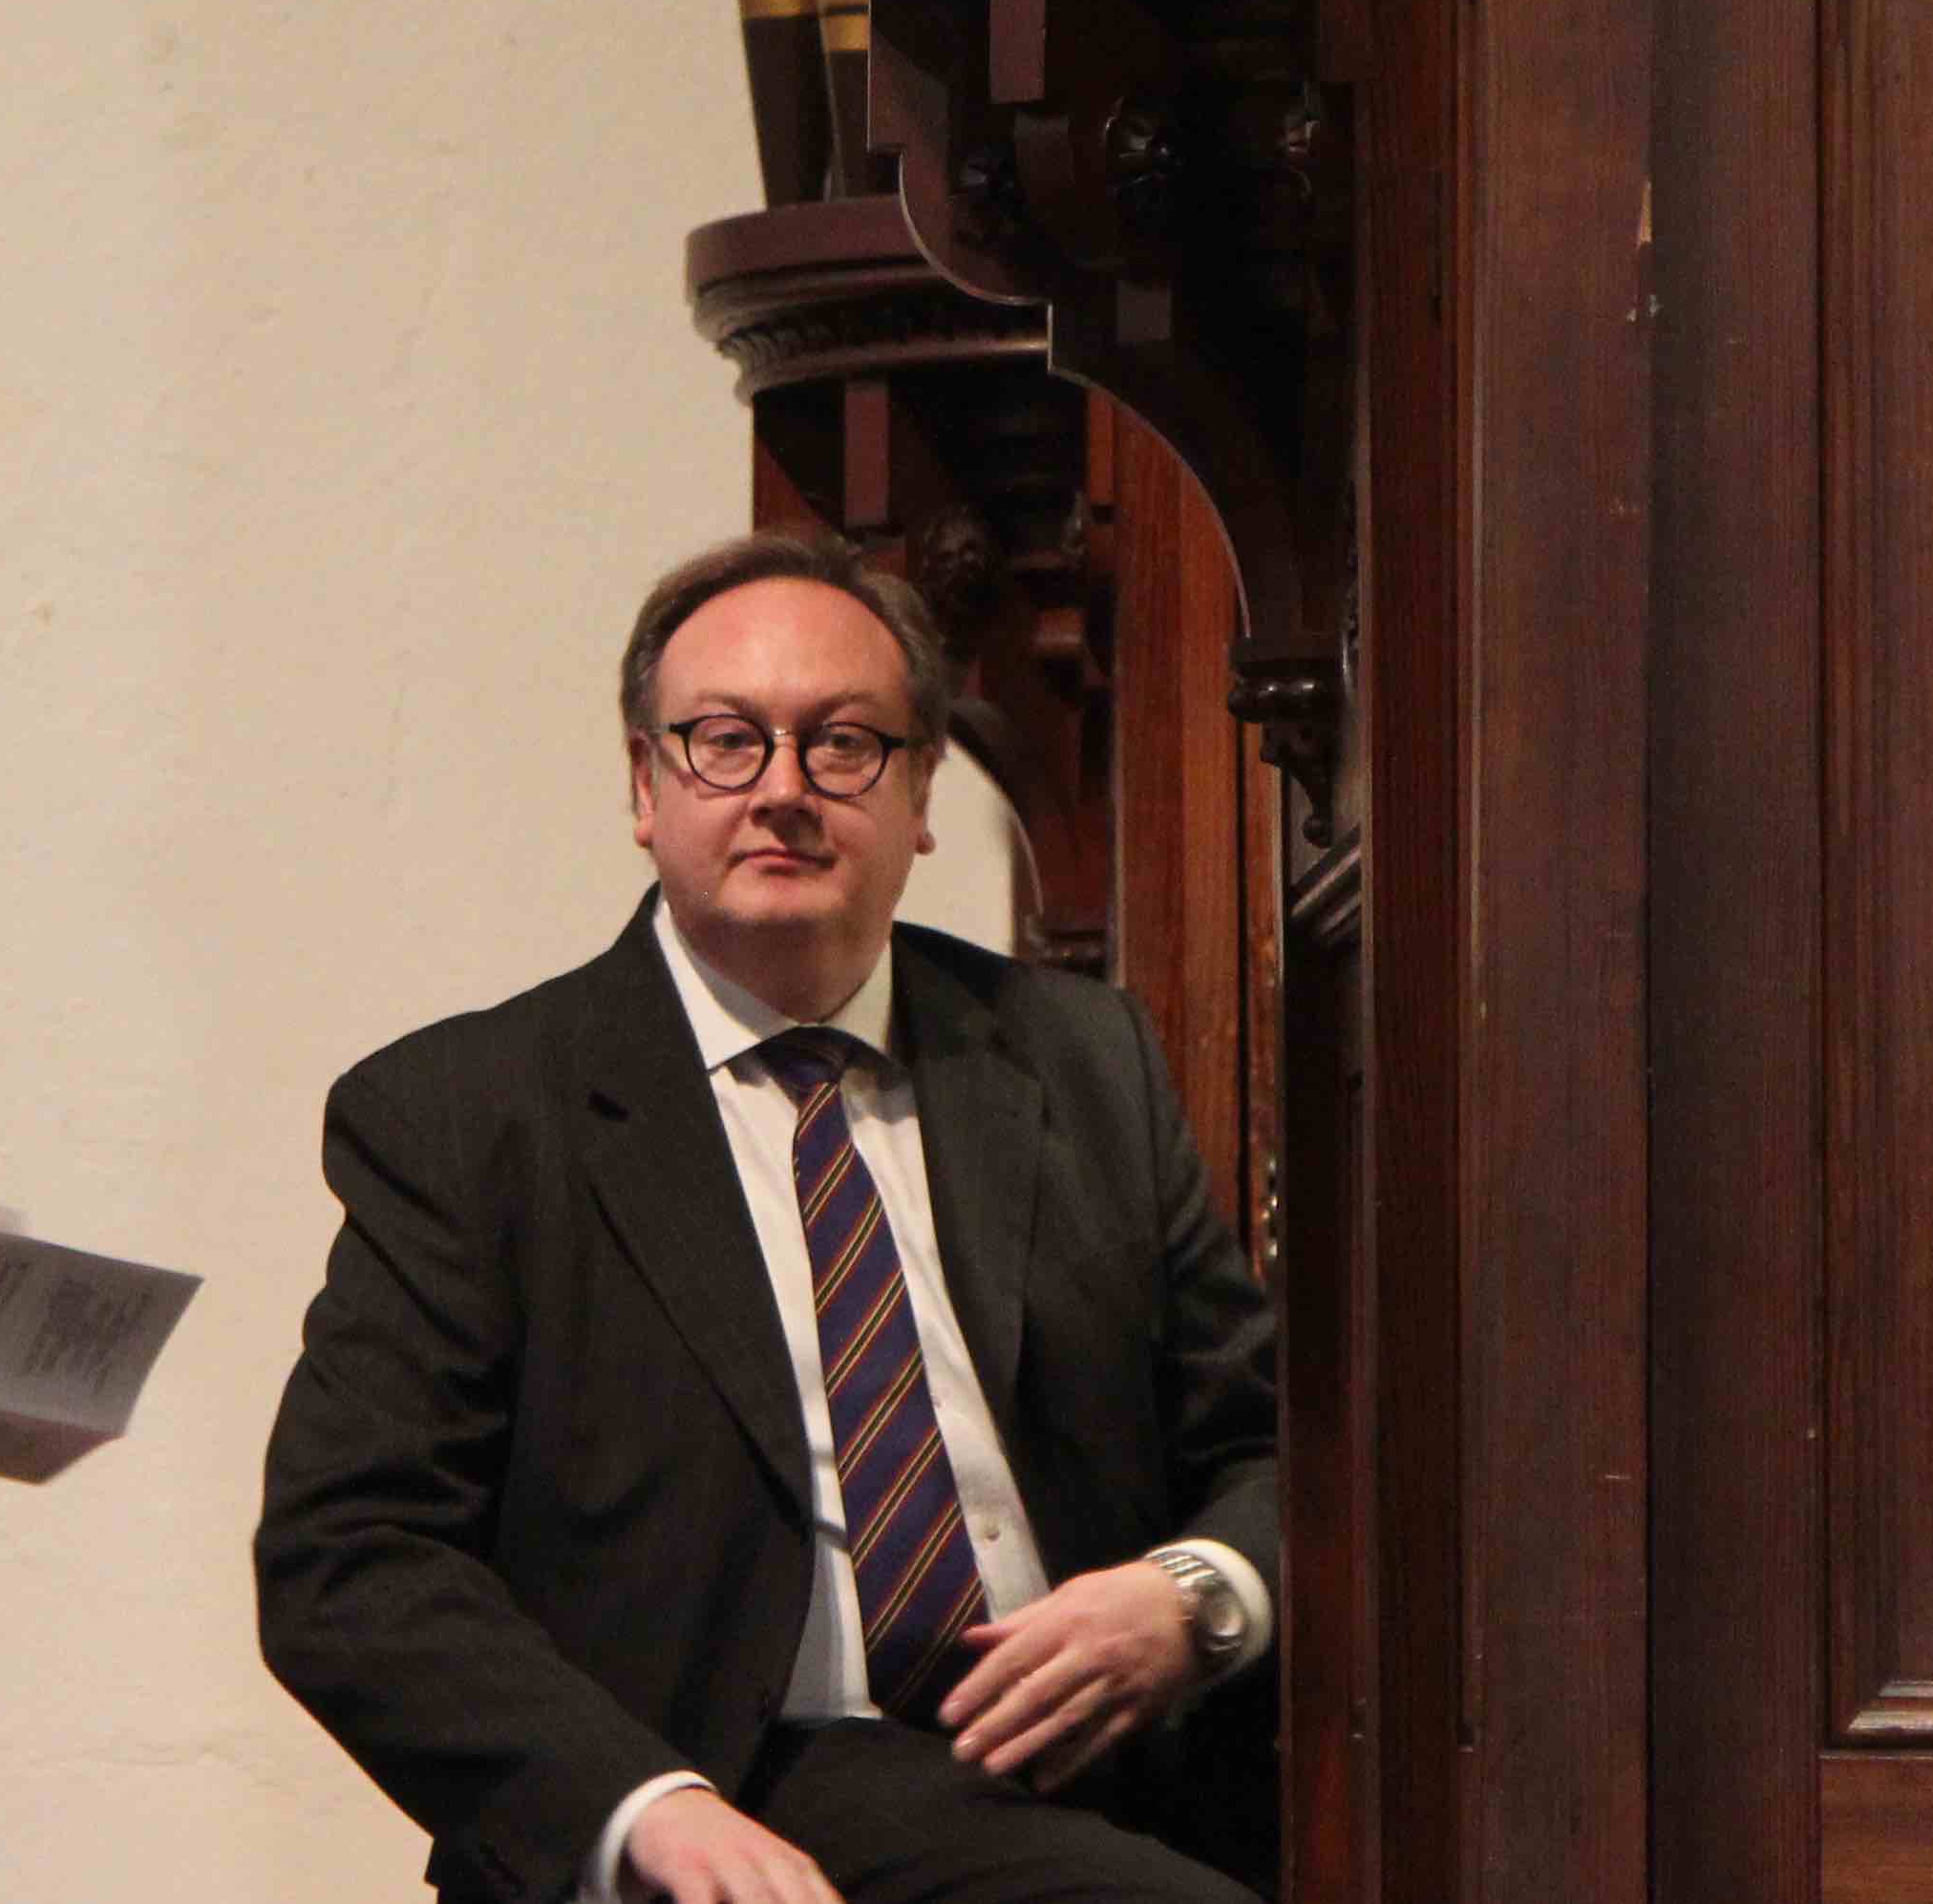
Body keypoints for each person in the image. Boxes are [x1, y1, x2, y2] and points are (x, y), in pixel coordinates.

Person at [258, 529, 1278, 1904]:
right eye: (725, 742)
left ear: (922, 789)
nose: (783, 790)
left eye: (844, 742)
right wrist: (644, 1809)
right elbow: (347, 1559)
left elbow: (1267, 1440)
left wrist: (1192, 1592)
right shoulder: (468, 1114)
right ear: (643, 783)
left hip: (1101, 1763)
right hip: (722, 1782)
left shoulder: (1074, 1057)